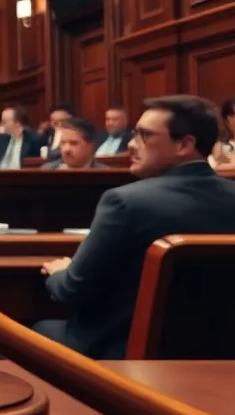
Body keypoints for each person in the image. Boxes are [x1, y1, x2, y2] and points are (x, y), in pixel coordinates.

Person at [33, 95, 235, 359]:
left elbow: (72, 291)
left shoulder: (125, 202)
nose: (131, 144)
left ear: (185, 144)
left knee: (32, 329)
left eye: (144, 136)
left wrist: (60, 272)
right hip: (220, 357)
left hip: (126, 357)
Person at [41, 118, 105, 170]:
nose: (66, 150)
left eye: (74, 143)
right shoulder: (47, 170)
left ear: (91, 146)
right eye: (63, 143)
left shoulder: (106, 175)